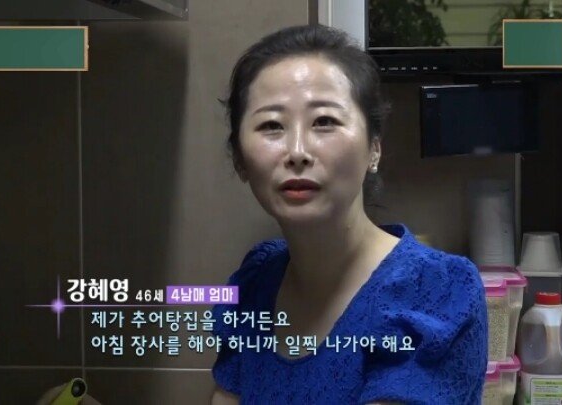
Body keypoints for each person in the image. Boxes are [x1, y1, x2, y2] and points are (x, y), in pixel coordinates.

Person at [209, 24, 488, 405]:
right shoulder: (255, 282)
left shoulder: (438, 292)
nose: (297, 151)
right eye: (271, 125)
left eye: (324, 121)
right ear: (241, 160)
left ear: (374, 148)